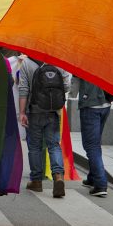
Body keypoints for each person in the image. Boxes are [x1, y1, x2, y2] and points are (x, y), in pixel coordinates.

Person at [18, 57, 72, 197]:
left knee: (35, 147)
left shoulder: (27, 63)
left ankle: (36, 181)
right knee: (54, 145)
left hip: (34, 111)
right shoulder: (58, 60)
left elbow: (23, 88)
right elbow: (66, 86)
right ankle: (58, 176)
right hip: (53, 111)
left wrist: (22, 112)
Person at [76, 76, 113, 197]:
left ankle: (100, 184)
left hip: (90, 104)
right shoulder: (107, 58)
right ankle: (92, 178)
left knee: (91, 146)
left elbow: (73, 85)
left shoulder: (84, 59)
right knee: (95, 144)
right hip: (105, 103)